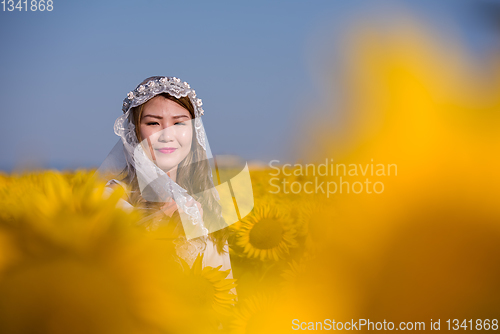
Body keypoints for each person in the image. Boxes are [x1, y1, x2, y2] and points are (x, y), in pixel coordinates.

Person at [97, 76, 233, 279]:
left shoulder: (208, 204)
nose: (167, 135)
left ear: (194, 132)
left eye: (179, 123)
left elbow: (225, 292)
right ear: (134, 131)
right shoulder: (111, 199)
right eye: (153, 123)